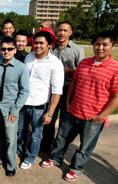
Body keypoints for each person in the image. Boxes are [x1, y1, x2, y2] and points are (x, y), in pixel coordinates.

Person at [40, 31, 118, 182]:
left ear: (112, 47)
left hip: (93, 117)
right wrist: (68, 101)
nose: (100, 48)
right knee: (62, 138)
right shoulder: (84, 62)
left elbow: (116, 96)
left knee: (85, 147)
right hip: (73, 110)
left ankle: (76, 168)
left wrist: (102, 116)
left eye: (105, 45)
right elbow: (74, 82)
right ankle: (55, 158)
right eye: (97, 44)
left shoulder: (115, 68)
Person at [17, 31, 64, 170]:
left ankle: (30, 157)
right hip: (23, 103)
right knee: (20, 131)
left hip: (39, 106)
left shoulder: (55, 63)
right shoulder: (29, 57)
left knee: (36, 135)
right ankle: (19, 151)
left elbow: (57, 91)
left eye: (41, 43)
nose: (37, 46)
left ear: (49, 45)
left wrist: (50, 112)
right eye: (36, 43)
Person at [41, 21, 85, 153]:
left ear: (70, 32)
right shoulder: (51, 48)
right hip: (52, 89)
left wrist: (63, 69)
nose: (62, 33)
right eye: (60, 30)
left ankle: (58, 150)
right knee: (49, 118)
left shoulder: (77, 50)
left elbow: (81, 71)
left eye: (65, 30)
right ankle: (46, 146)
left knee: (65, 122)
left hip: (68, 90)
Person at [0, 37, 29, 176]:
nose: (6, 51)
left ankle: (11, 165)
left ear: (14, 50)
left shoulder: (21, 68)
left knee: (10, 139)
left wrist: (15, 109)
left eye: (9, 49)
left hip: (11, 108)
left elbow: (24, 91)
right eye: (3, 49)